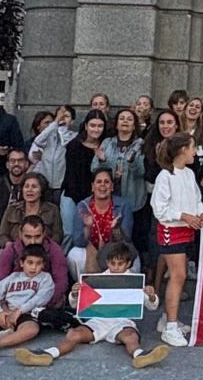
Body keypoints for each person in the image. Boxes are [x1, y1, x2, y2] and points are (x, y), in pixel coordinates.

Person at [15, 239, 170, 370]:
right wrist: (75, 293)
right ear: (107, 262)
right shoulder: (97, 280)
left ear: (128, 263)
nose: (115, 267)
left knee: (131, 337)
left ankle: (140, 355)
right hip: (97, 321)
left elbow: (152, 307)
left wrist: (151, 296)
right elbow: (76, 304)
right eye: (112, 263)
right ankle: (48, 354)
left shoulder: (135, 282)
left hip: (122, 322)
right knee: (74, 334)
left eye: (120, 264)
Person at [151, 133, 203, 347]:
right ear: (182, 150)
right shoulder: (164, 176)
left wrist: (201, 214)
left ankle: (167, 318)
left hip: (187, 230)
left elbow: (196, 198)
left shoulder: (188, 174)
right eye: (193, 147)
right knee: (178, 275)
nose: (195, 152)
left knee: (180, 275)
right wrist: (184, 216)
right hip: (171, 230)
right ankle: (170, 327)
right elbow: (159, 208)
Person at [0, 214, 70, 308]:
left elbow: (61, 282)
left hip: (43, 298)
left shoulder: (55, 250)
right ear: (20, 234)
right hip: (13, 298)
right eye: (28, 237)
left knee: (59, 301)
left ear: (44, 234)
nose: (32, 242)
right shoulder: (10, 250)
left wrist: (34, 305)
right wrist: (5, 306)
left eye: (37, 236)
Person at [97, 108, 147, 258]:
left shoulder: (140, 144)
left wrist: (132, 163)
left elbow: (141, 172)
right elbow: (94, 168)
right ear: (117, 124)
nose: (125, 121)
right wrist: (103, 161)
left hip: (133, 199)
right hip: (110, 198)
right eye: (122, 118)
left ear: (134, 125)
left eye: (129, 119)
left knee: (130, 237)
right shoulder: (107, 142)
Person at [69, 167, 134, 279]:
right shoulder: (83, 205)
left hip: (115, 251)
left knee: (135, 264)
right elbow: (78, 242)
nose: (102, 185)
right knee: (74, 255)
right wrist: (87, 228)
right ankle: (83, 287)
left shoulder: (124, 205)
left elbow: (126, 240)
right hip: (91, 250)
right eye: (99, 182)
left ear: (112, 187)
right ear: (93, 187)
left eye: (107, 182)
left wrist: (116, 229)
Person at [62, 110, 107, 242]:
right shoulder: (74, 146)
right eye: (93, 125)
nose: (96, 129)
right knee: (70, 234)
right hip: (72, 195)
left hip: (96, 197)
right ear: (86, 126)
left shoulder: (106, 146)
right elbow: (71, 175)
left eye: (100, 126)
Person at [0, 149, 35, 262]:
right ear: (7, 165)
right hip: (1, 235)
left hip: (28, 236)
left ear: (27, 164)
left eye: (20, 160)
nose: (16, 164)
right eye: (13, 161)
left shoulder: (33, 186)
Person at [0, 172, 63, 247]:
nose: (29, 190)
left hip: (43, 251)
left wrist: (48, 247)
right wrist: (9, 245)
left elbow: (57, 235)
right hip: (14, 249)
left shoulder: (52, 209)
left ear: (41, 191)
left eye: (34, 187)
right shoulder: (12, 209)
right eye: (26, 186)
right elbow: (2, 235)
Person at [29, 105, 77, 203]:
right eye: (60, 116)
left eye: (66, 116)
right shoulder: (49, 135)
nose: (62, 118)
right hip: (45, 184)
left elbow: (67, 144)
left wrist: (63, 131)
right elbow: (37, 141)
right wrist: (55, 123)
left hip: (61, 185)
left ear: (72, 121)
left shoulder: (74, 137)